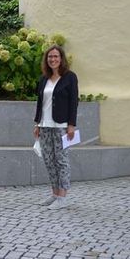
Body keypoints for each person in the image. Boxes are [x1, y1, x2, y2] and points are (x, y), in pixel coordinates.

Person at [33, 44, 78, 209]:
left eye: (56, 57)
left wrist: (71, 125)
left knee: (62, 160)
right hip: (45, 125)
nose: (53, 59)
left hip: (61, 125)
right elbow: (40, 103)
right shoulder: (43, 78)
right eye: (50, 57)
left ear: (61, 59)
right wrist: (37, 123)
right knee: (49, 160)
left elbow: (74, 103)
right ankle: (54, 194)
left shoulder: (70, 77)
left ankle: (63, 197)